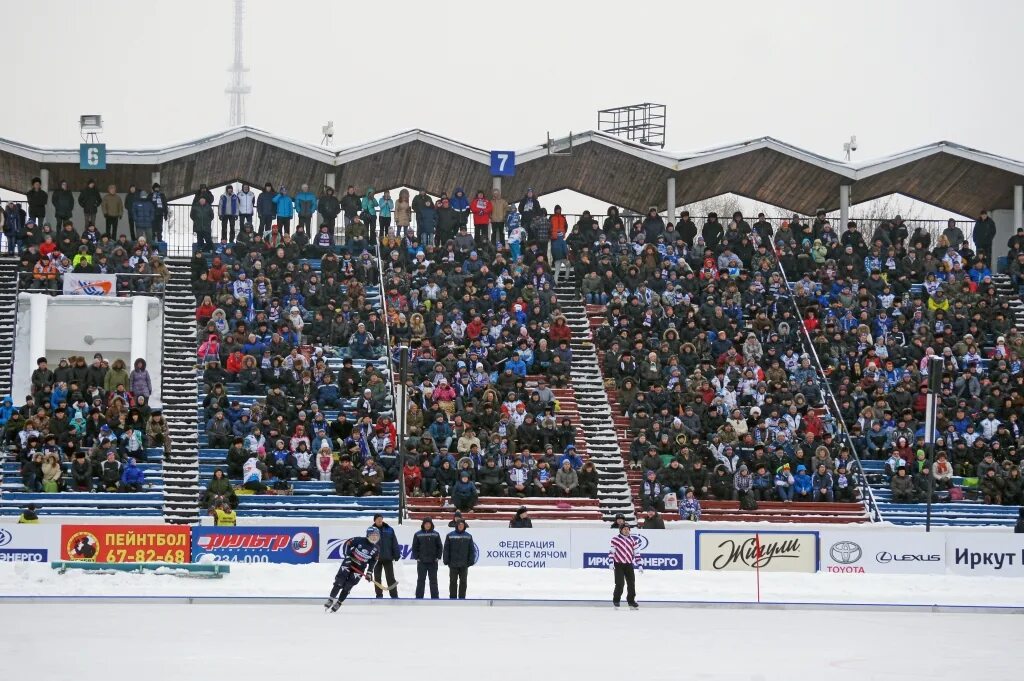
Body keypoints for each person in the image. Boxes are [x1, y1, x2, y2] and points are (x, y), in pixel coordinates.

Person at [325, 527, 380, 613]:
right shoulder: (359, 540)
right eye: (373, 535)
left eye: (376, 536)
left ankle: (339, 602)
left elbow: (373, 561)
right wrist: (347, 555)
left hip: (359, 569)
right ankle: (331, 599)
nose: (374, 537)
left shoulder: (376, 549)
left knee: (348, 586)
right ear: (368, 535)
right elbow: (348, 543)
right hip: (349, 562)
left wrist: (369, 572)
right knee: (339, 582)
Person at [609, 524, 641, 609]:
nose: (626, 530)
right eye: (624, 529)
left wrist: (640, 564)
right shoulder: (615, 539)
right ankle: (616, 600)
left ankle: (631, 601)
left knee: (631, 583)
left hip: (629, 564)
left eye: (628, 529)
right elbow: (612, 552)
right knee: (620, 583)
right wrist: (611, 562)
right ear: (621, 530)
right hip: (618, 564)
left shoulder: (633, 540)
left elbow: (636, 553)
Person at [443, 517, 475, 599]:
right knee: (453, 582)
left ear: (464, 526)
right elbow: (446, 549)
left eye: (462, 525)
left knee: (463, 582)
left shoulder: (468, 536)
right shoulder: (450, 535)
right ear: (456, 525)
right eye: (459, 525)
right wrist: (446, 560)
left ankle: (462, 598)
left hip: (464, 564)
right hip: (453, 564)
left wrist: (471, 561)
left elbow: (472, 550)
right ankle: (452, 598)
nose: (461, 526)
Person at [412, 517, 443, 599]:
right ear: (423, 524)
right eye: (426, 523)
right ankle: (419, 597)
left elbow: (440, 547)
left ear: (431, 524)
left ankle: (435, 598)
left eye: (429, 523)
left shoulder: (436, 534)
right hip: (422, 562)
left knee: (433, 581)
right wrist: (417, 557)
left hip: (433, 562)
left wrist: (438, 557)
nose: (427, 525)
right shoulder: (418, 534)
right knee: (421, 581)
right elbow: (414, 547)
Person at [371, 513, 400, 599]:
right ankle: (379, 595)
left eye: (381, 518)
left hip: (388, 558)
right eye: (378, 519)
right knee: (377, 578)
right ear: (374, 520)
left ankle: (394, 595)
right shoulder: (371, 530)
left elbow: (394, 542)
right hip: (376, 559)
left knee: (390, 578)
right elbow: (368, 544)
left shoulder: (390, 529)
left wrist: (396, 554)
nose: (380, 520)